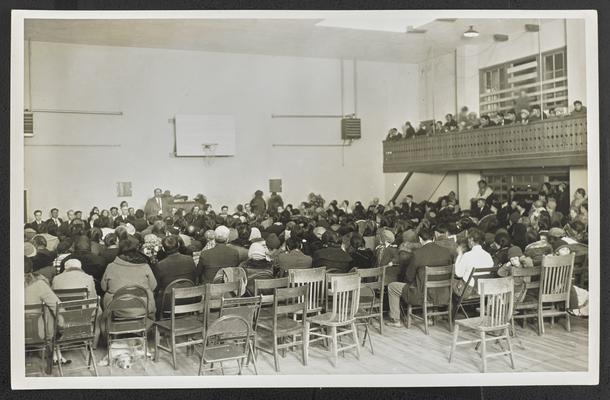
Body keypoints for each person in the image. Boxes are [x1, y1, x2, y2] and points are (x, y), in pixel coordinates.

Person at [386, 227, 452, 327]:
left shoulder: (417, 254)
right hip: (443, 293)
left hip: (421, 295)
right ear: (434, 238)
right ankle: (429, 317)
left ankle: (396, 320)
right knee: (427, 284)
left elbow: (409, 277)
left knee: (392, 287)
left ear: (420, 240)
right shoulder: (446, 252)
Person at [101, 236, 157, 316]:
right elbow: (153, 286)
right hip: (143, 308)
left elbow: (103, 287)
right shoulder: (145, 266)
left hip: (116, 310)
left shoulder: (111, 267)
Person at [153, 235, 197, 310]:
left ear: (163, 249)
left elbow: (156, 287)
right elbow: (195, 278)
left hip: (168, 304)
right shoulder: (189, 259)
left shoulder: (160, 265)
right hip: (190, 299)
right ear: (178, 246)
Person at [453, 228, 494, 296]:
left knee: (452, 281)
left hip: (469, 291)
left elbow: (458, 274)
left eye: (468, 239)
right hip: (484, 290)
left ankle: (453, 306)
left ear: (471, 240)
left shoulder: (467, 256)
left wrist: (460, 254)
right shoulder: (488, 255)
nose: (467, 241)